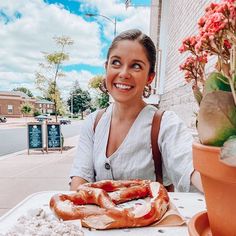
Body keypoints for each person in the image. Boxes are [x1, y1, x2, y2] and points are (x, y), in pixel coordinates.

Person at [70, 29, 203, 192]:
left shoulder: (165, 123)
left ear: (149, 77)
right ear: (106, 68)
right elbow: (80, 178)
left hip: (152, 217)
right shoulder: (93, 122)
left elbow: (190, 167)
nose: (123, 73)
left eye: (136, 66)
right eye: (116, 63)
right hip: (97, 217)